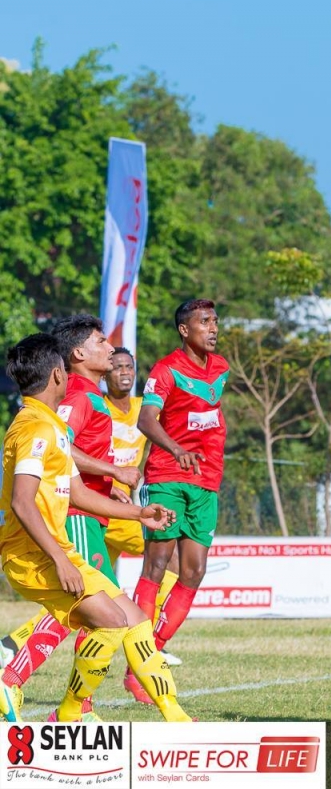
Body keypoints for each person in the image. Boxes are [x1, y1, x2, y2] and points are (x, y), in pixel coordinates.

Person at [0, 333, 191, 722]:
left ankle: (171, 715)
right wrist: (61, 561)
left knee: (131, 619)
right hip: (32, 555)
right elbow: (22, 501)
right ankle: (27, 690)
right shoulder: (35, 428)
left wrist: (139, 514)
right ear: (59, 374)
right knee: (108, 621)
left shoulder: (51, 425)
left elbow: (78, 493)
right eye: (100, 341)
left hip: (55, 550)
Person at [129, 299, 228, 704]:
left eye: (215, 321)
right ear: (184, 330)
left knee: (194, 571)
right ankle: (141, 669)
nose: (213, 328)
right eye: (204, 322)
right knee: (157, 563)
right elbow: (146, 419)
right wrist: (175, 449)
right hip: (168, 475)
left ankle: (148, 654)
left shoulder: (221, 368)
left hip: (207, 479)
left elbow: (208, 416)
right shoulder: (165, 370)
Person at [103, 346, 184, 667]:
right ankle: (149, 643)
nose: (124, 372)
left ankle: (12, 644)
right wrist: (109, 483)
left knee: (89, 591)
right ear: (105, 373)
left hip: (125, 508)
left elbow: (173, 423)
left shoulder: (142, 409)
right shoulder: (97, 407)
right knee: (172, 559)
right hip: (104, 505)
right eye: (117, 367)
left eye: (129, 367)